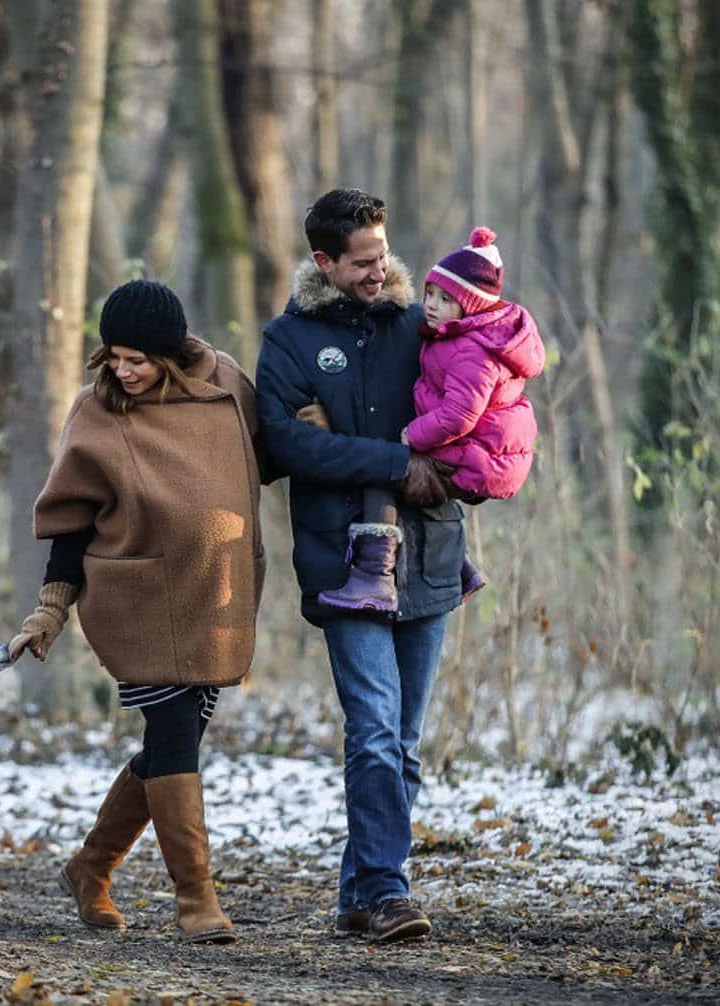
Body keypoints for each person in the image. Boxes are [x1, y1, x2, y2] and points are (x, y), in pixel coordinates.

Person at [9, 279, 264, 945]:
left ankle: (90, 869)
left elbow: (263, 457)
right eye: (114, 357)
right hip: (138, 600)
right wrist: (50, 610)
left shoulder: (227, 385)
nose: (122, 371)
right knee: (176, 733)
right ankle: (196, 900)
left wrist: (316, 428)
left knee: (171, 741)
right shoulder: (99, 412)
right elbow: (71, 519)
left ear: (173, 356)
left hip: (215, 597)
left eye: (137, 360)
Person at [255, 188, 461, 943]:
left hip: (430, 555)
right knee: (373, 730)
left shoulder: (423, 325)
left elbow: (474, 414)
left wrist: (395, 453)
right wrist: (392, 458)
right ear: (323, 263)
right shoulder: (290, 341)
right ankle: (388, 891)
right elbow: (284, 445)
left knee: (401, 743)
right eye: (363, 262)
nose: (381, 271)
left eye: (384, 254)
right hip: (342, 563)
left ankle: (359, 893)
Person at [315, 226, 544, 613]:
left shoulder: (473, 351)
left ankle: (374, 577)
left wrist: (412, 435)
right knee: (415, 483)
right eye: (430, 294)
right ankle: (458, 569)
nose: (432, 305)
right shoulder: (457, 336)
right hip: (480, 449)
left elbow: (459, 415)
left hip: (482, 453)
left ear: (472, 307)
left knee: (384, 469)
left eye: (446, 299)